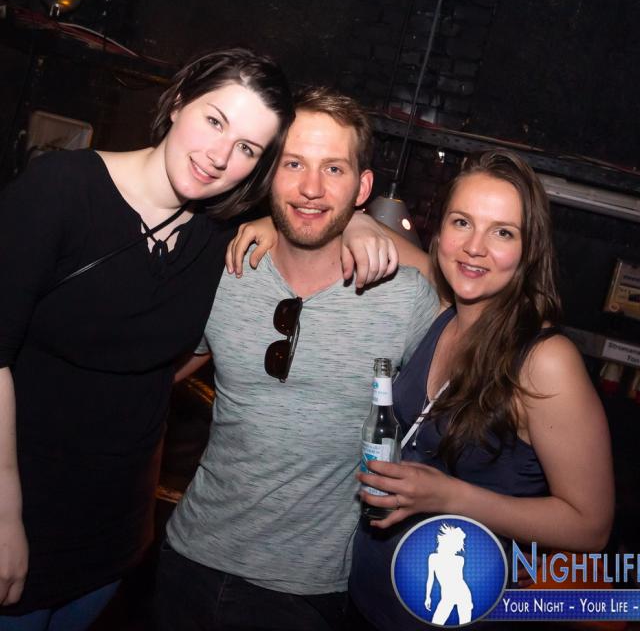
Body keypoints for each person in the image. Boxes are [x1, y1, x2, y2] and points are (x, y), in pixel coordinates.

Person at [0, 47, 295, 631]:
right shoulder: (61, 189)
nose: (220, 156)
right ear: (179, 101)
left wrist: (356, 223)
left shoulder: (218, 239)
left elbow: (165, 361)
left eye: (247, 149)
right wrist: (5, 509)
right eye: (215, 121)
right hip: (20, 501)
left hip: (115, 527)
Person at [154, 87, 441, 631]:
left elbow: (482, 332)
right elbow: (145, 375)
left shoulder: (405, 299)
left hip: (307, 593)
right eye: (293, 164)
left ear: (363, 187)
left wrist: (364, 223)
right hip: (187, 559)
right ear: (269, 175)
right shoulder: (226, 269)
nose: (311, 187)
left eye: (334, 169)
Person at [349, 149, 615, 630]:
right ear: (440, 230)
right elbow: (380, 240)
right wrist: (343, 222)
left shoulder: (545, 362)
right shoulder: (445, 312)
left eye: (502, 232)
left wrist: (451, 497)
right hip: (369, 605)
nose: (474, 247)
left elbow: (590, 527)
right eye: (462, 222)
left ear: (529, 251)